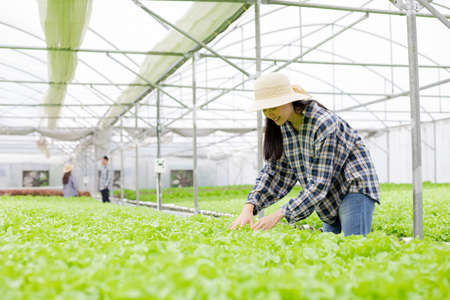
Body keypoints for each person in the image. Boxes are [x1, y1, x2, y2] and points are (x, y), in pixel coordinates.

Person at [229, 72, 380, 236]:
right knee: (331, 250)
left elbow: (319, 183)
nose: (270, 114)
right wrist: (250, 207)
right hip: (326, 196)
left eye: (273, 107)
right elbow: (276, 173)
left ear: (289, 100)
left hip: (352, 185)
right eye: (265, 109)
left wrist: (279, 214)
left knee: (354, 247)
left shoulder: (324, 124)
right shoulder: (284, 127)